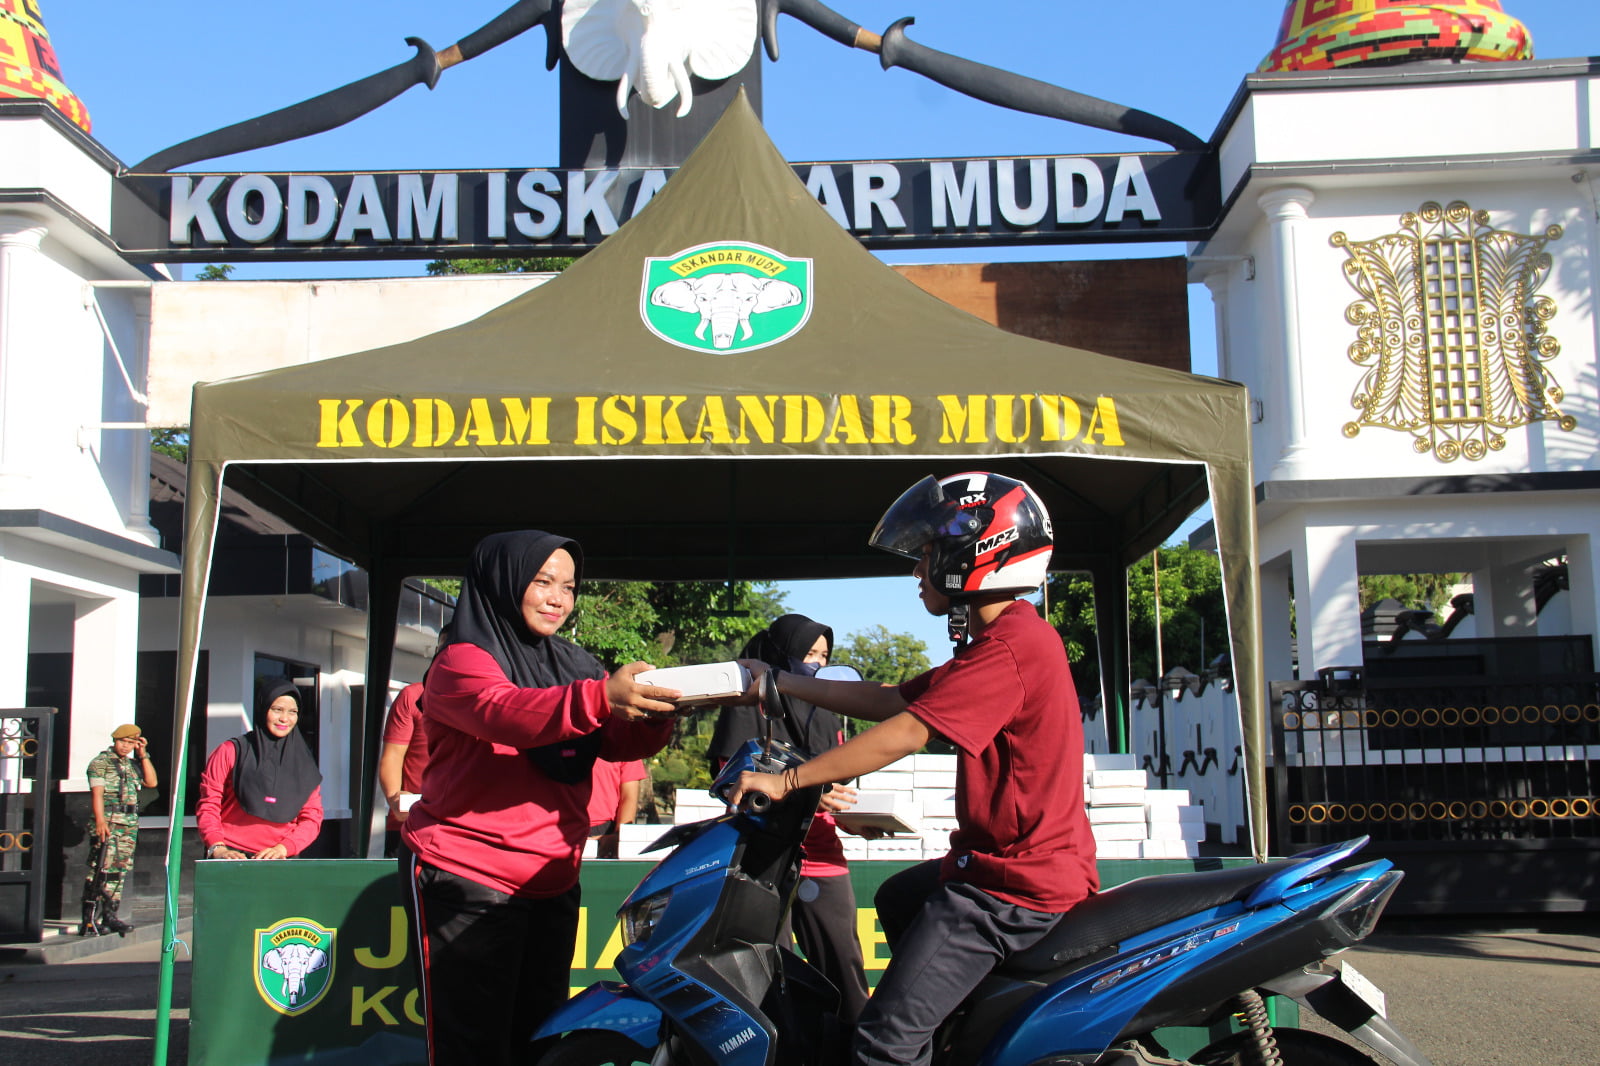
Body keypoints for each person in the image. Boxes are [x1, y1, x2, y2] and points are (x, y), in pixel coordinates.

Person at [729, 472, 1097, 1066]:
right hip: (999, 868)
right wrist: (776, 684)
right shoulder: (1001, 641)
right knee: (901, 898)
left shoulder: (1009, 649)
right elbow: (894, 698)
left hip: (1009, 891)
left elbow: (906, 732)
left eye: (927, 553)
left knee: (880, 1045)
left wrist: (789, 780)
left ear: (974, 554)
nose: (918, 570)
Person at [398, 529, 683, 1066]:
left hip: (553, 879)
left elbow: (616, 740)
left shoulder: (575, 663)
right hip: (467, 877)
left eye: (569, 587)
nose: (558, 598)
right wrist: (602, 696)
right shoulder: (461, 660)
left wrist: (659, 712)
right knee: (472, 1047)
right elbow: (506, 711)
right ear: (502, 582)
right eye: (543, 581)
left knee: (541, 1037)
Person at [709, 613, 872, 1022]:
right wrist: (804, 793)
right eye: (808, 654)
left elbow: (836, 784)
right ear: (781, 653)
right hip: (760, 863)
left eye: (824, 656)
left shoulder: (829, 707)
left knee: (844, 973)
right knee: (768, 977)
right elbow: (735, 785)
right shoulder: (746, 704)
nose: (816, 665)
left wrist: (853, 817)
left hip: (823, 859)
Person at [198, 679, 325, 860]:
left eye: (293, 712)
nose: (285, 718)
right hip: (229, 856)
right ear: (262, 709)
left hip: (281, 859)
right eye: (277, 709)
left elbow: (312, 817)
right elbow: (209, 804)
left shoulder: (304, 763)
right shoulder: (231, 751)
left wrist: (284, 848)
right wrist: (218, 847)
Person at [80, 723, 158, 936]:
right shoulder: (100, 763)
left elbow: (151, 782)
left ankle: (110, 914)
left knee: (119, 870)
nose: (126, 746)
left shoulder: (132, 764)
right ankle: (89, 918)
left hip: (128, 824)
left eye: (131, 743)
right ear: (115, 740)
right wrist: (100, 821)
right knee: (101, 869)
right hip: (109, 820)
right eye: (123, 741)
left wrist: (143, 754)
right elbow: (97, 794)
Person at [586, 757, 646, 859]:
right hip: (561, 831)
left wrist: (618, 836)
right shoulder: (556, 742)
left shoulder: (625, 746)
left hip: (604, 833)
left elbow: (628, 797)